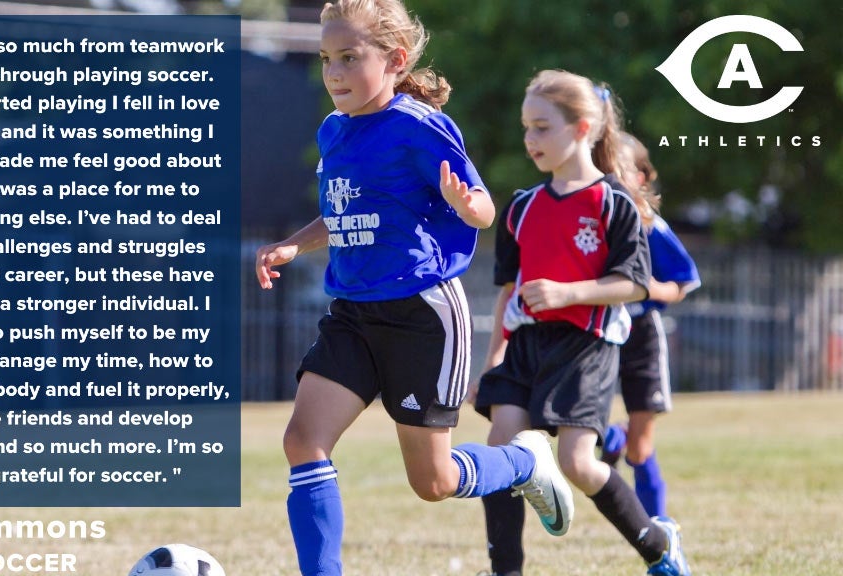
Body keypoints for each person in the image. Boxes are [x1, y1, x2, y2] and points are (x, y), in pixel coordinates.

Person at [254, 2, 573, 574]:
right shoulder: (333, 131)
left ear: (396, 61)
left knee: (434, 481)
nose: (333, 72)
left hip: (421, 314)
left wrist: (461, 201)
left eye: (349, 58)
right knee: (303, 440)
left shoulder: (416, 126)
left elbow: (482, 209)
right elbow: (344, 214)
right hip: (352, 313)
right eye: (327, 58)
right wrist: (292, 245)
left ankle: (524, 462)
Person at [470, 70, 691, 576]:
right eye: (526, 128)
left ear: (581, 128)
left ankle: (658, 544)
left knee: (577, 464)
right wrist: (493, 361)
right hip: (526, 344)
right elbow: (509, 293)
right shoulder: (522, 207)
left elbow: (634, 285)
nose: (530, 139)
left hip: (586, 348)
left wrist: (569, 293)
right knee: (500, 450)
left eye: (542, 127)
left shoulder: (614, 204)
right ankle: (506, 569)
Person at [600, 133, 701, 520]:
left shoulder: (649, 225)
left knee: (640, 449)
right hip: (600, 334)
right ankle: (612, 436)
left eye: (619, 170)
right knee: (577, 427)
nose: (610, 177)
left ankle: (660, 532)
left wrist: (646, 288)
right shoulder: (592, 221)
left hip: (641, 336)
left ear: (641, 177)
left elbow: (683, 282)